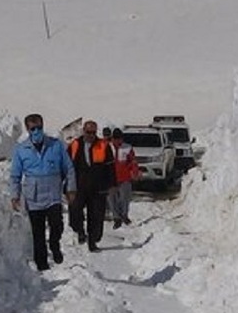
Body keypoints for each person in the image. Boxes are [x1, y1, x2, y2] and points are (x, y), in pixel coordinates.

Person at [10, 113, 76, 271]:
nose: (37, 131)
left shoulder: (56, 145)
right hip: (34, 196)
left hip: (53, 194)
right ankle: (42, 264)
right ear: (27, 129)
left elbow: (69, 168)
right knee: (38, 233)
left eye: (39, 127)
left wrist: (71, 188)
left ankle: (54, 244)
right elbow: (15, 175)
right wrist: (15, 195)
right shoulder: (21, 150)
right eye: (33, 128)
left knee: (57, 224)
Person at [67, 119, 115, 252]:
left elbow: (110, 167)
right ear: (83, 131)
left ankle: (93, 241)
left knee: (96, 216)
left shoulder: (103, 145)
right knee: (75, 210)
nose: (91, 135)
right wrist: (66, 185)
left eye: (93, 132)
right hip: (79, 186)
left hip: (98, 187)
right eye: (88, 132)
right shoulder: (75, 145)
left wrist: (112, 184)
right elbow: (67, 166)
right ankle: (80, 231)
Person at [108, 127, 141, 228]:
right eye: (115, 138)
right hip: (110, 178)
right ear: (112, 139)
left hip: (124, 177)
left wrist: (135, 171)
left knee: (125, 198)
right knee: (111, 199)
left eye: (119, 138)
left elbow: (133, 161)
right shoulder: (107, 147)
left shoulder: (127, 148)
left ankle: (124, 215)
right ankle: (116, 217)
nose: (117, 141)